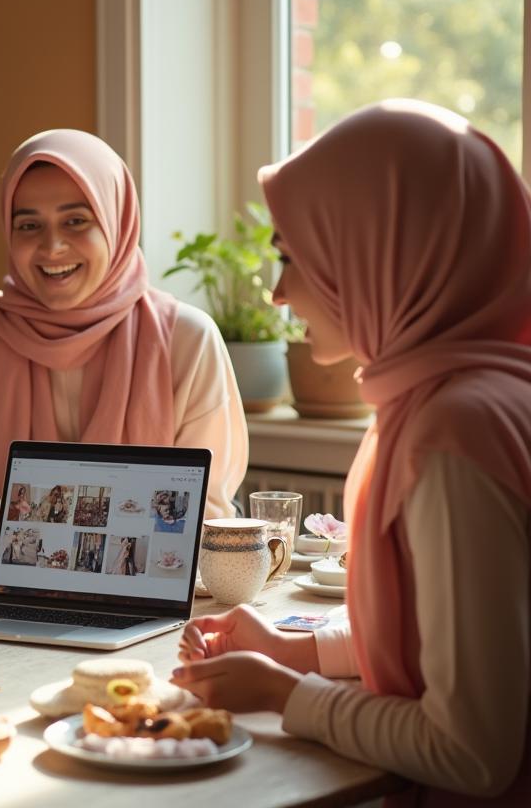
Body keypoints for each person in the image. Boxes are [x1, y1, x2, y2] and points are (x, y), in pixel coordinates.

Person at [172, 100, 531, 802]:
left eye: (291, 257)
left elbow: (472, 752)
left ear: (380, 254)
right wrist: (292, 648)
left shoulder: (452, 432)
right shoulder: (472, 393)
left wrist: (285, 693)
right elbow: (457, 636)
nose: (277, 294)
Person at [0, 129, 247, 552]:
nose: (52, 246)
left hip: (145, 579)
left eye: (76, 221)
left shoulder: (187, 340)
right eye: (29, 225)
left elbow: (208, 511)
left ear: (116, 221)